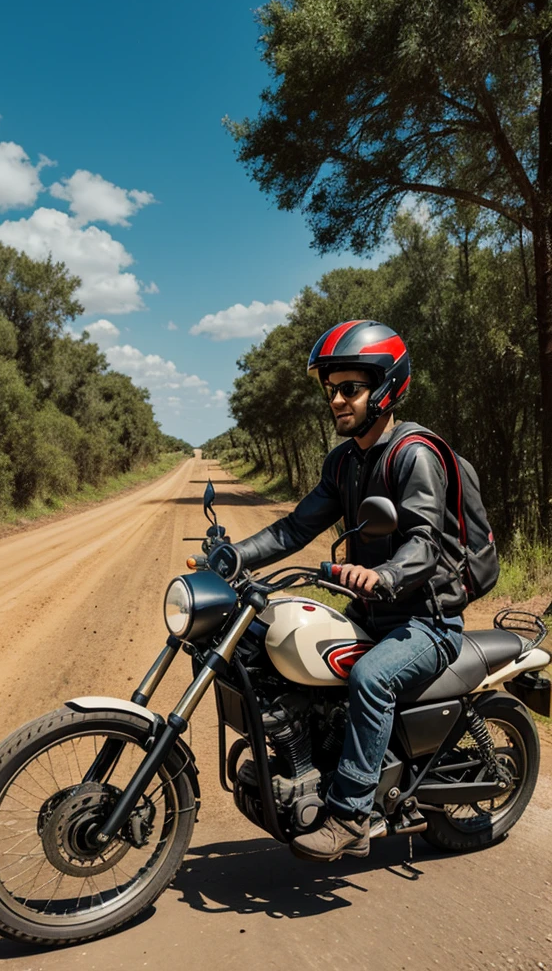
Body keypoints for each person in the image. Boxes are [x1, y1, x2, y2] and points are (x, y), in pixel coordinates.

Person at [233, 319, 466, 861]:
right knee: (274, 643)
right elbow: (294, 528)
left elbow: (425, 541)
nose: (336, 399)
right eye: (331, 389)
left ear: (384, 389)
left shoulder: (414, 455)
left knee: (369, 676)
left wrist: (384, 576)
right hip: (371, 613)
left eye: (350, 388)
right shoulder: (344, 461)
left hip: (427, 623)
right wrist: (235, 555)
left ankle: (352, 815)